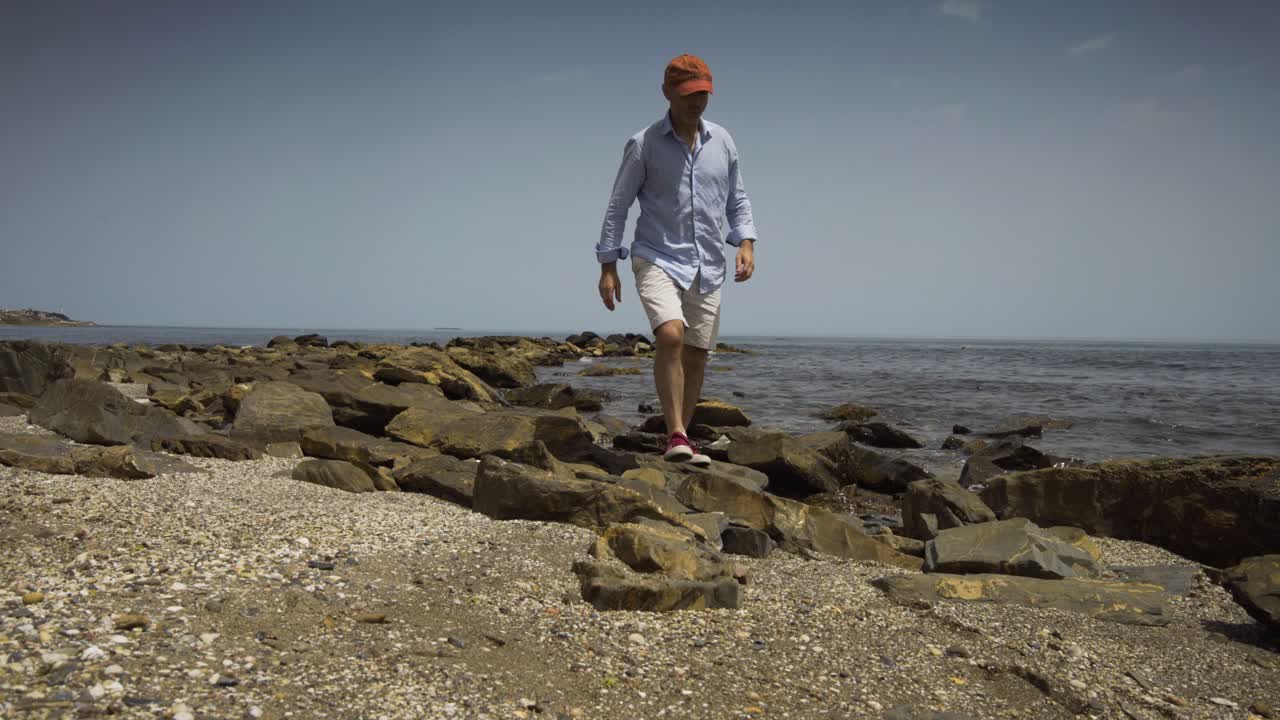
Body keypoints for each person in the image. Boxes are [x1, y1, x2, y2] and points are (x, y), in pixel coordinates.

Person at [594, 53, 758, 467]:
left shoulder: (723, 141)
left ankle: (680, 442)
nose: (696, 102)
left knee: (697, 353)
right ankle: (677, 434)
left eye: (703, 93)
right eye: (688, 94)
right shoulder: (643, 144)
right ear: (667, 93)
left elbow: (737, 198)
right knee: (670, 335)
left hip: (708, 263)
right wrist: (608, 265)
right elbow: (618, 205)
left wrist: (746, 242)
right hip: (656, 255)